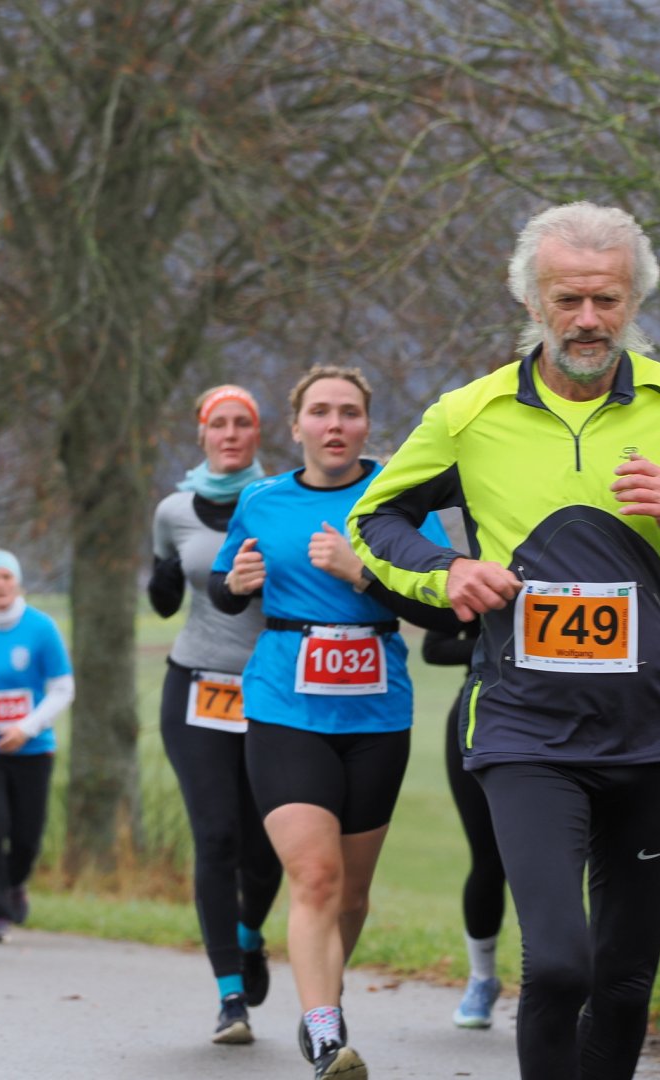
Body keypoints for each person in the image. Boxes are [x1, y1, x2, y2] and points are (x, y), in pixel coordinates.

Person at [347, 201, 660, 1079]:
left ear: (634, 302)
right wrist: (447, 572)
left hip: (651, 731)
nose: (588, 320)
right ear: (532, 300)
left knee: (623, 982)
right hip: (525, 730)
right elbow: (373, 521)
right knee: (558, 964)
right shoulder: (469, 415)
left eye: (607, 300)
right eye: (568, 299)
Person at [209, 365, 455, 1080]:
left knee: (350, 891)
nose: (335, 424)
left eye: (349, 411)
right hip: (284, 704)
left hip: (376, 711)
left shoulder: (400, 501)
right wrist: (235, 585)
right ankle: (324, 1033)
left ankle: (325, 995)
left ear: (366, 425)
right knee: (314, 876)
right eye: (320, 411)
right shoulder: (261, 500)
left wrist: (361, 574)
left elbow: (441, 606)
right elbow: (225, 586)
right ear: (297, 427)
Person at [150, 384, 283, 1044]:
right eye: (218, 424)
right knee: (217, 836)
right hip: (196, 687)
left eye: (242, 424)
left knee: (269, 843)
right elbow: (164, 598)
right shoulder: (172, 511)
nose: (230, 434)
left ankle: (249, 933)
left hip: (271, 690)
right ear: (201, 435)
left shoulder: (281, 501)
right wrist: (164, 576)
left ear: (257, 434)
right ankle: (230, 997)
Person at [0, 549, 75, 944]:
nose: (0, 585)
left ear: (18, 582)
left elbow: (63, 688)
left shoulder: (41, 628)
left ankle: (14, 883)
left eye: (6, 577)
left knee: (27, 836)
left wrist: (26, 728)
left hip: (32, 747)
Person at [421, 619, 507, 1028]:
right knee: (488, 858)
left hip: (564, 719)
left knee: (558, 862)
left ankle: (563, 982)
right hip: (480, 718)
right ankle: (482, 978)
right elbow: (434, 648)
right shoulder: (485, 579)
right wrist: (505, 647)